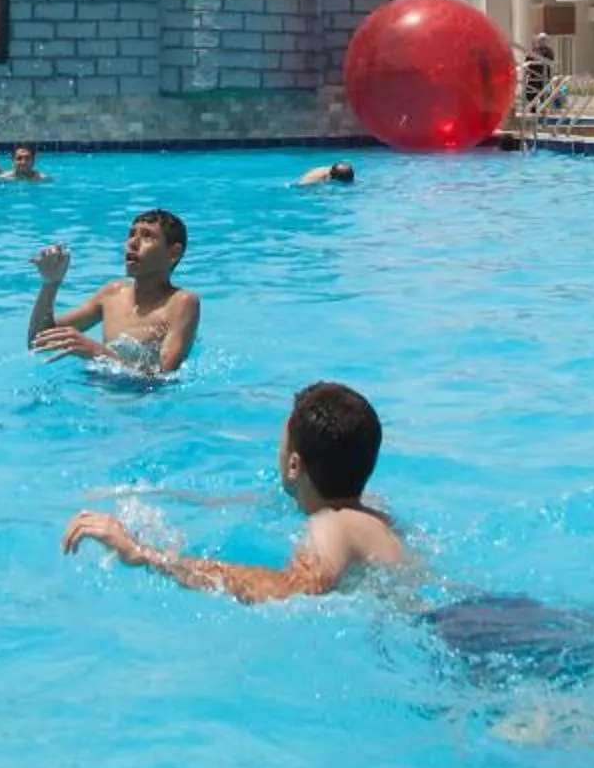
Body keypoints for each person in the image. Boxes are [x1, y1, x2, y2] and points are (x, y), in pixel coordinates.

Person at [63, 381, 404, 601]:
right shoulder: (370, 512)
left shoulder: (332, 524)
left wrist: (144, 555)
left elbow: (293, 590)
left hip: (444, 635)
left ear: (294, 465)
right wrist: (157, 495)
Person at [26, 210, 201, 375]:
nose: (132, 243)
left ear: (173, 253)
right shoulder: (113, 293)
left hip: (143, 400)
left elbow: (164, 378)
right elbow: (37, 342)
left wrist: (96, 352)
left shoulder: (181, 302)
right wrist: (51, 283)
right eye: (131, 234)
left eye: (147, 236)